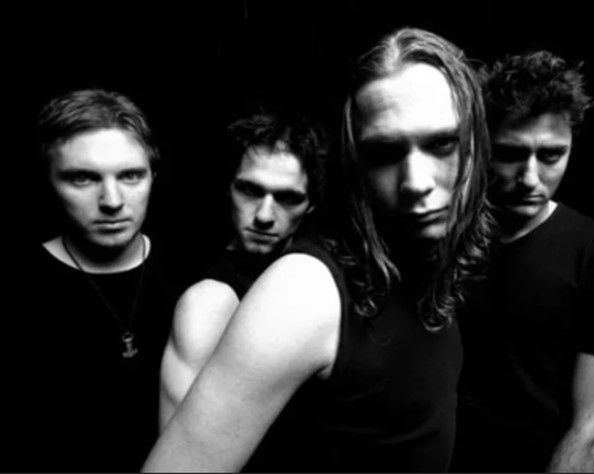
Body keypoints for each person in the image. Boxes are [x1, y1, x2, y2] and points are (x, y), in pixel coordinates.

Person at [142, 26, 493, 472]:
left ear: (477, 143)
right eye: (385, 152)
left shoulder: (429, 266)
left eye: (442, 144)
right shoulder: (305, 290)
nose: (416, 182)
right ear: (357, 164)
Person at [453, 51, 594, 472]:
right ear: (481, 146)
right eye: (510, 153)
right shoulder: (441, 238)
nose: (530, 178)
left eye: (552, 155)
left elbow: (593, 430)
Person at [6, 89, 176, 471]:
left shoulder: (193, 273)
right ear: (48, 181)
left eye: (130, 175)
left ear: (153, 176)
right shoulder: (16, 288)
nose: (112, 201)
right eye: (83, 178)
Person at [159, 111, 326, 429]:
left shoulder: (320, 279)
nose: (264, 216)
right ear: (229, 188)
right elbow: (179, 446)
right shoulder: (207, 301)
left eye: (288, 198)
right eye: (250, 190)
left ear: (311, 204)